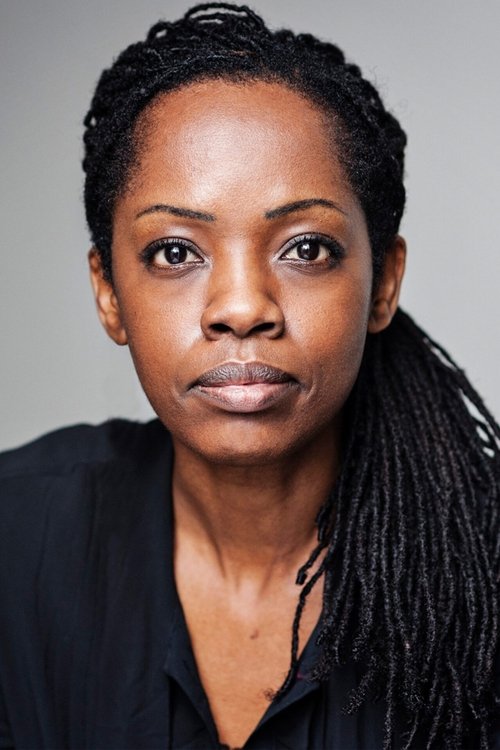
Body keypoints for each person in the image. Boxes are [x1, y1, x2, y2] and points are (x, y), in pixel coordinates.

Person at [0, 3, 498, 749]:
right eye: (175, 252)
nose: (241, 308)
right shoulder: (17, 541)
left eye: (306, 248)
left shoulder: (483, 568)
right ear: (109, 293)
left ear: (384, 283)